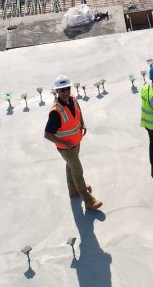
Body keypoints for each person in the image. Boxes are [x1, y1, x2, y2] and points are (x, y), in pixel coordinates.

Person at [44, 75, 103, 210]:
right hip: (66, 148)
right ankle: (88, 200)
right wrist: (65, 144)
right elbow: (47, 134)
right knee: (77, 170)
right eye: (62, 90)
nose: (65, 92)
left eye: (67, 88)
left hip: (76, 141)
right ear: (57, 92)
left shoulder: (73, 99)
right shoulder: (55, 112)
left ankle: (73, 189)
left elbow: (78, 111)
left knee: (70, 165)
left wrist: (82, 123)